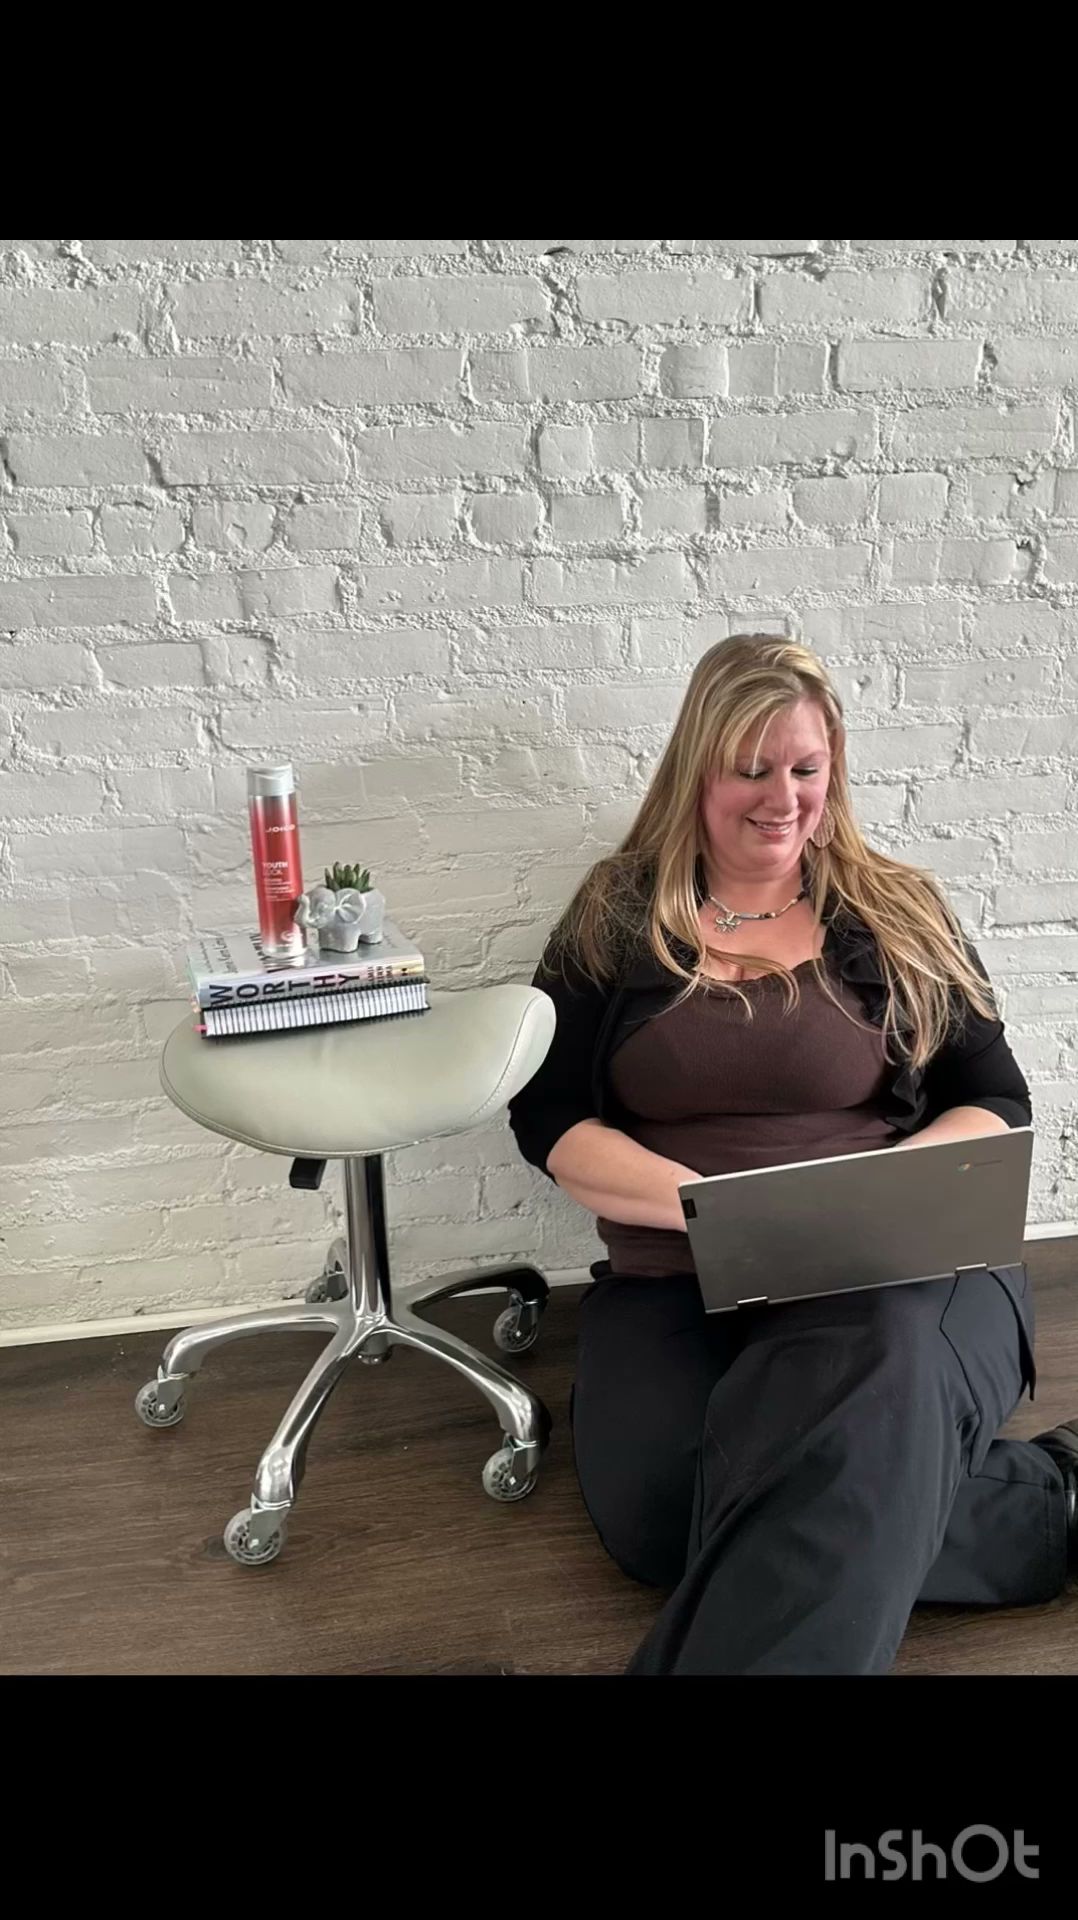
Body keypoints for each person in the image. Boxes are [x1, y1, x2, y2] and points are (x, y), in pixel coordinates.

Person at [507, 633, 1078, 1675]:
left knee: (860, 1392)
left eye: (807, 768)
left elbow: (993, 1097)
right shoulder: (615, 912)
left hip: (892, 1272)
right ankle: (1056, 1504)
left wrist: (886, 1190)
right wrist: (706, 1209)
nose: (784, 799)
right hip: (677, 1272)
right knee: (657, 1519)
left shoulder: (895, 909)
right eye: (752, 769)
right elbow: (546, 1117)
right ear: (697, 770)